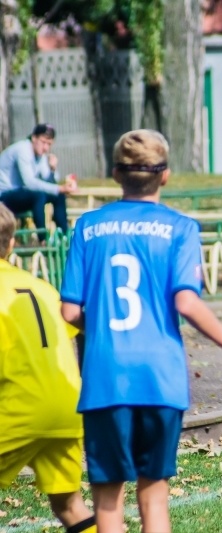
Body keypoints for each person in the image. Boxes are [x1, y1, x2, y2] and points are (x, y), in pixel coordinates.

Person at [60, 130, 222, 532]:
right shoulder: (180, 228)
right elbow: (185, 302)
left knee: (108, 502)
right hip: (160, 379)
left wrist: (101, 326)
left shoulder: (88, 226)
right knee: (154, 498)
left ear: (116, 172)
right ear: (165, 176)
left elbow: (68, 311)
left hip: (105, 378)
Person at [0, 202, 97, 533]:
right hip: (67, 408)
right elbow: (73, 328)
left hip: (19, 408)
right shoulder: (41, 287)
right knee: (69, 504)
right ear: (12, 244)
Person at [0, 124, 76, 240]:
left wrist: (52, 169)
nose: (45, 148)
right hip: (4, 196)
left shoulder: (39, 154)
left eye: (49, 144)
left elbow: (48, 181)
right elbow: (29, 183)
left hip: (21, 193)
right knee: (38, 195)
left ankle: (64, 235)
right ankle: (43, 239)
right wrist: (59, 188)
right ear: (34, 138)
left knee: (58, 195)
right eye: (43, 142)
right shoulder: (23, 150)